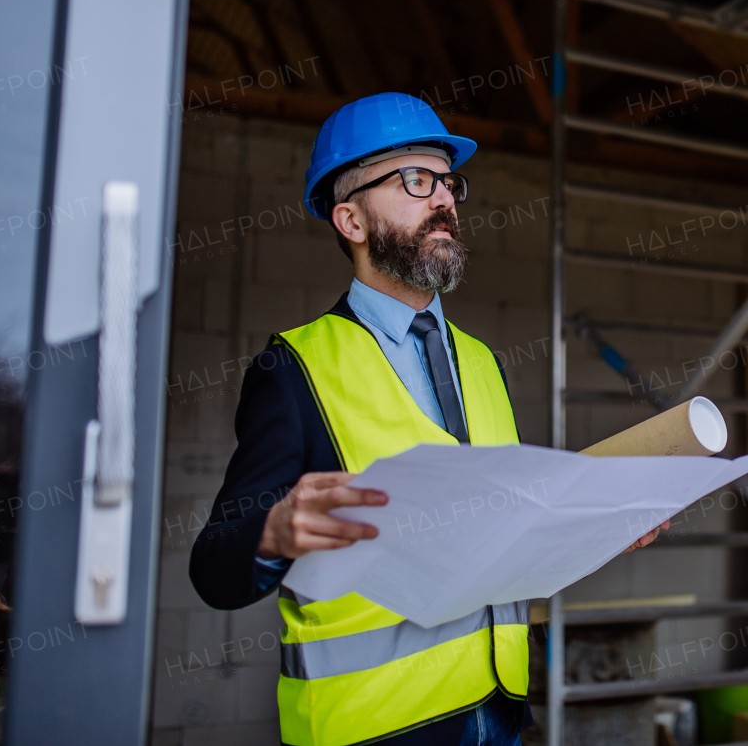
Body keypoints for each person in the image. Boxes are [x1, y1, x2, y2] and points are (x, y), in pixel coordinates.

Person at [189, 93, 666, 746]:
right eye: (415, 180)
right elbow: (213, 567)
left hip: (499, 713)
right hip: (375, 729)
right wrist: (271, 531)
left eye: (448, 181)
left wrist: (597, 525)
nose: (444, 199)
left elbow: (504, 531)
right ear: (350, 219)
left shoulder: (482, 362)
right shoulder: (293, 367)